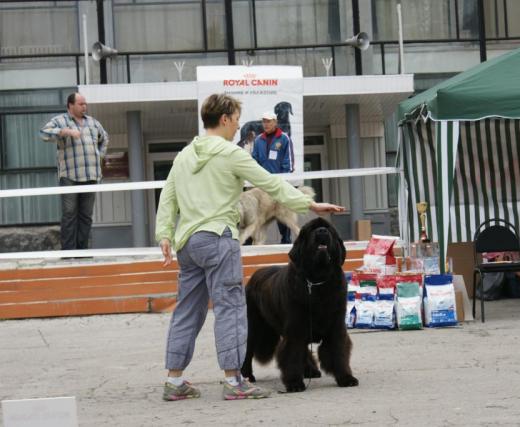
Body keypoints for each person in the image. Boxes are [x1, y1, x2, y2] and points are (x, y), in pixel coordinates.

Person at [155, 94, 344, 401]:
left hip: (188, 242)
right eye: (237, 118)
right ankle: (234, 381)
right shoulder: (230, 153)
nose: (239, 125)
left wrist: (164, 234)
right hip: (218, 238)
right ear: (226, 119)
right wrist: (309, 203)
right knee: (230, 308)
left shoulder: (184, 156)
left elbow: (168, 197)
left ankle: (174, 381)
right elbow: (270, 183)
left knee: (187, 310)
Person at [40, 93, 109, 250]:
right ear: (70, 105)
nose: (84, 106)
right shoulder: (61, 120)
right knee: (69, 215)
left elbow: (104, 138)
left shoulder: (93, 122)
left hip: (91, 175)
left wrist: (100, 155)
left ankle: (82, 252)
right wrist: (65, 132)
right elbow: (43, 133)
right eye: (80, 104)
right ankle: (68, 252)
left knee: (86, 216)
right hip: (69, 176)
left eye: (85, 103)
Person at [251, 111, 294, 244]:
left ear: (275, 122)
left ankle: (286, 241)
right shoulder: (258, 140)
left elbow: (289, 163)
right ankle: (249, 244)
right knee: (256, 216)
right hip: (262, 186)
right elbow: (253, 162)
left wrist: (282, 182)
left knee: (282, 216)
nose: (266, 124)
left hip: (279, 185)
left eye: (269, 121)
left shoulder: (284, 138)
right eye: (264, 121)